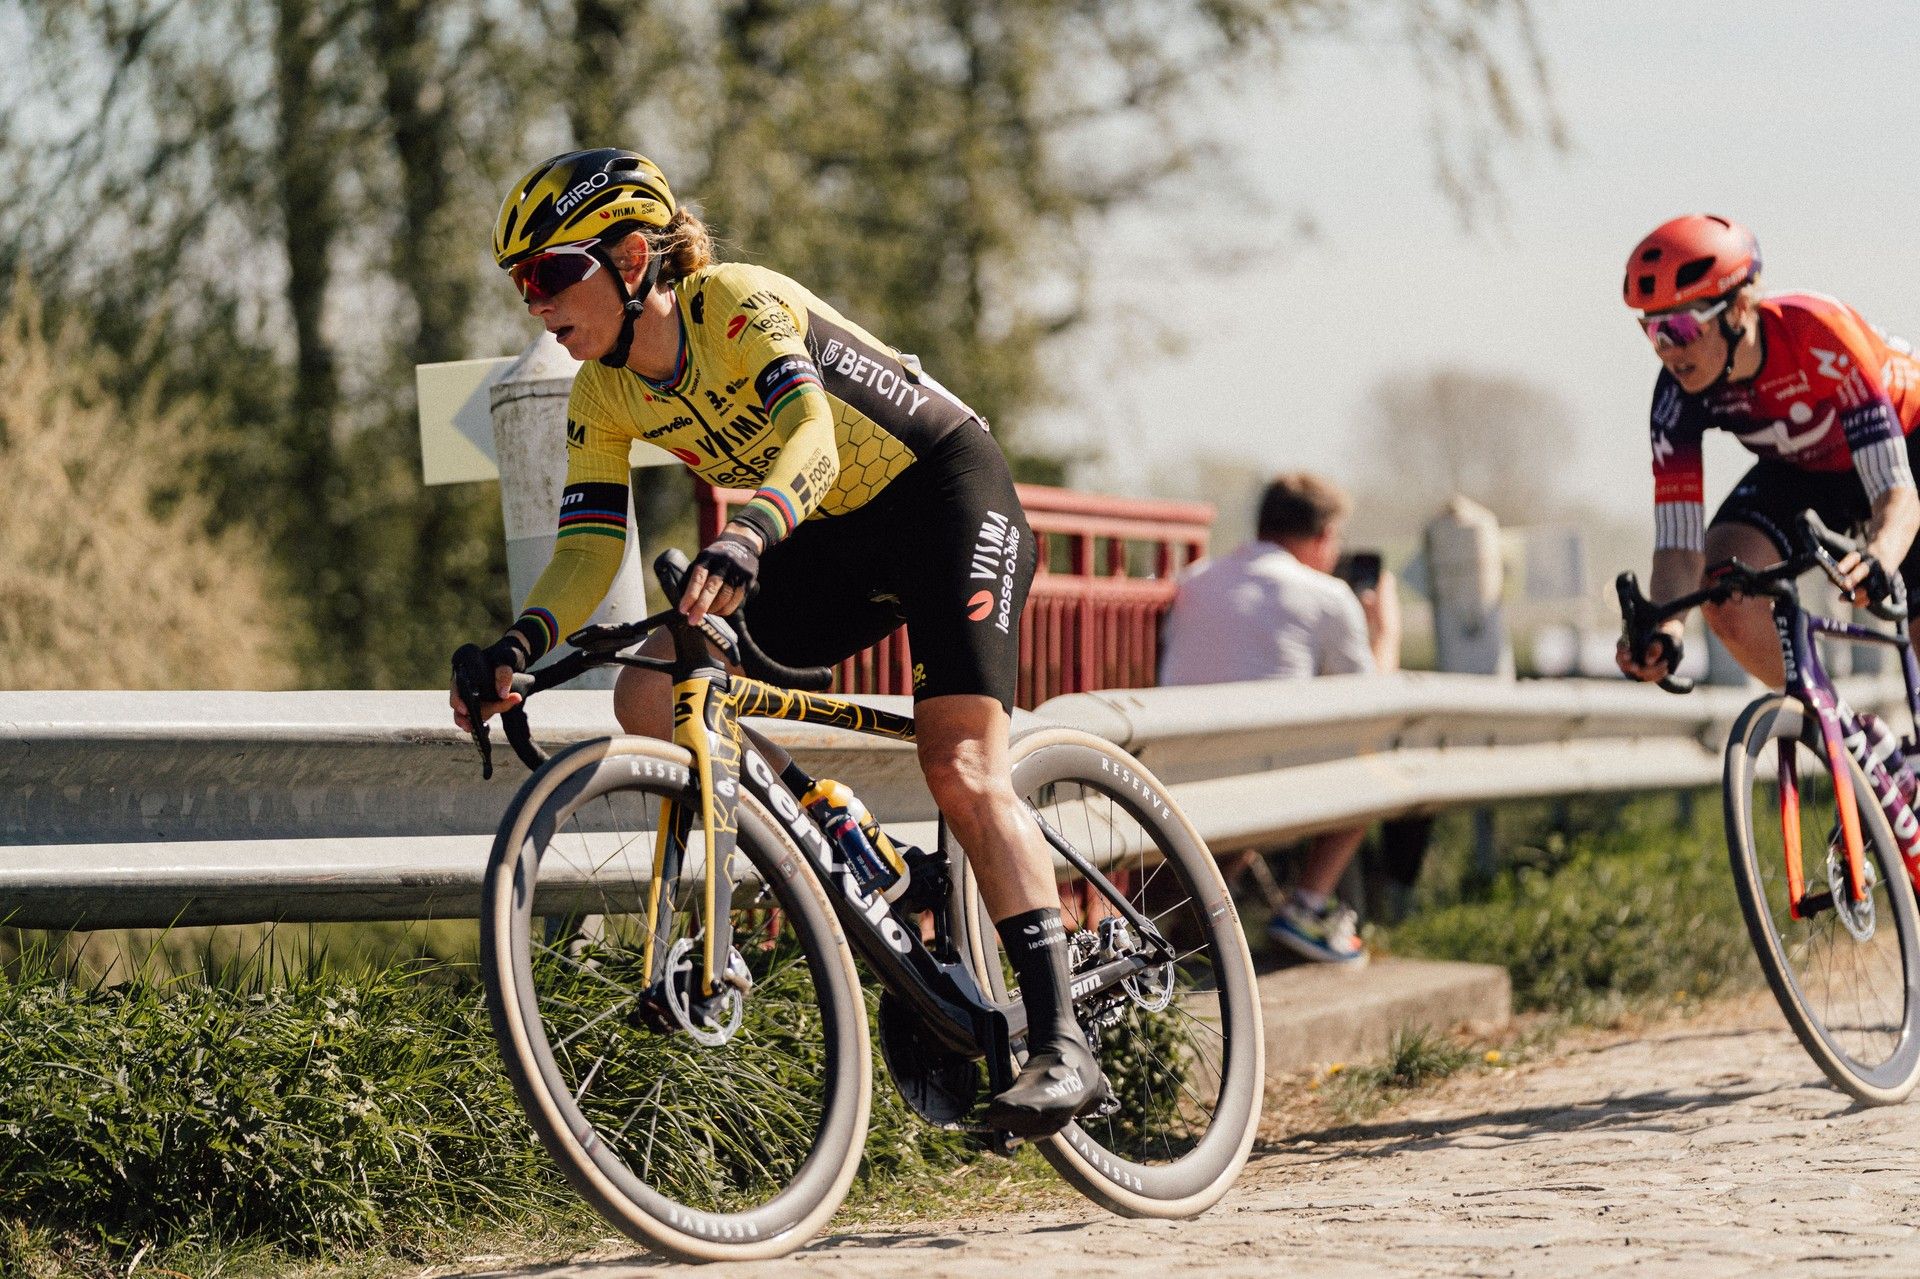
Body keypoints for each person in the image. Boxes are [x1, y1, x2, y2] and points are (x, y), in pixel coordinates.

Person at [449, 148, 1105, 1135]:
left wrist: (749, 532)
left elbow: (815, 441)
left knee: (963, 767)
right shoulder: (604, 393)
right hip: (826, 534)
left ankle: (1063, 1044)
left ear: (632, 258)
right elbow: (587, 553)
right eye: (519, 284)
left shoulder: (734, 304)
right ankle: (837, 837)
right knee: (651, 692)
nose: (533, 304)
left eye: (548, 274)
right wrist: (518, 647)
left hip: (941, 495)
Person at [1616, 215, 1920, 710]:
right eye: (1653, 330)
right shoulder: (1676, 397)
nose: (1668, 350)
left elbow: (1896, 492)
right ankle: (1843, 727)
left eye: (1682, 326)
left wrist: (1881, 556)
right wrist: (1667, 626)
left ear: (1738, 308)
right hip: (1805, 464)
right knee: (1723, 592)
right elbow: (1678, 548)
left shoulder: (1818, 334)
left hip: (1906, 446)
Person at [1158, 471, 1400, 966]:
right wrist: (1385, 631)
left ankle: (1185, 919)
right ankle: (1308, 905)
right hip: (1260, 790)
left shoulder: (1194, 580)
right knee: (1373, 761)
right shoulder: (1328, 596)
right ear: (1324, 535)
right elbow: (1372, 706)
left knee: (1243, 756)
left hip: (1173, 777)